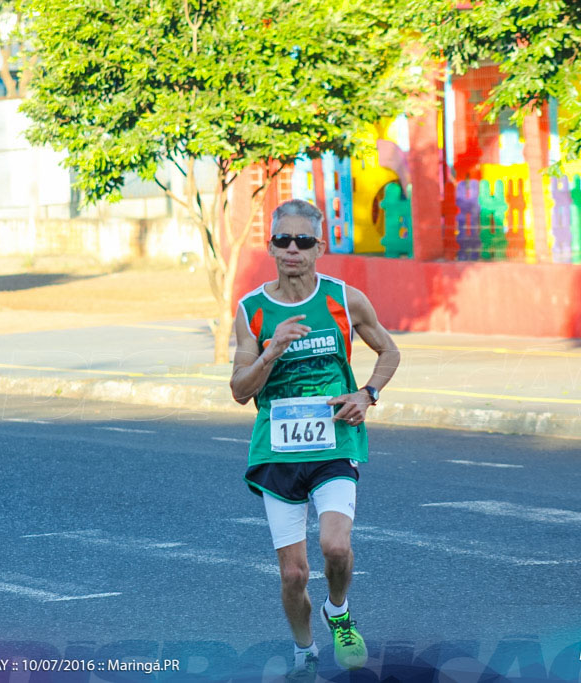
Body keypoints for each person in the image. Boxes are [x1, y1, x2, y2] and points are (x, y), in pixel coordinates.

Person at [230, 199, 400, 677]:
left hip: (334, 443)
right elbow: (240, 392)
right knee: (294, 574)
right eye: (283, 240)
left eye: (303, 241)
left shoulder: (344, 300)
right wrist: (271, 351)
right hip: (277, 453)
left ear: (319, 248)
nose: (292, 250)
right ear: (271, 247)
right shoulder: (252, 310)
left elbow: (389, 351)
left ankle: (339, 613)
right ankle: (305, 648)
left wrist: (367, 394)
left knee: (336, 547)